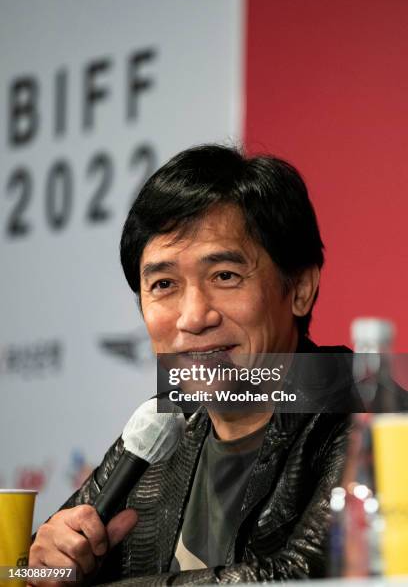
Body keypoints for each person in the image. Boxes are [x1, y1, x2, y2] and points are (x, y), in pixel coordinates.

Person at [29, 144, 353, 585]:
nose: (193, 317)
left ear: (299, 288)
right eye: (164, 284)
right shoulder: (162, 426)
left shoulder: (375, 419)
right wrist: (36, 567)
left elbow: (304, 576)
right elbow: (23, 571)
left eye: (224, 276)